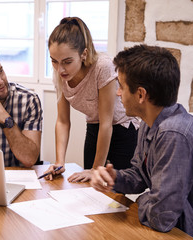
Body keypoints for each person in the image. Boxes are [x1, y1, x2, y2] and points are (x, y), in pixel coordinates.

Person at [91, 44, 193, 239]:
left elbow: (160, 218)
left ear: (140, 94)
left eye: (121, 86)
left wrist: (144, 198)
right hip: (177, 228)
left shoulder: (174, 135)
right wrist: (114, 179)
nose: (118, 93)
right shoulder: (149, 122)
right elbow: (139, 175)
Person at [44, 17, 139, 182]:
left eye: (67, 62)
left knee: (111, 189)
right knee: (88, 184)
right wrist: (59, 162)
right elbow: (63, 121)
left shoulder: (102, 66)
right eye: (54, 61)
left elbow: (107, 122)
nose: (60, 69)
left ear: (84, 54)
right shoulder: (59, 74)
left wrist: (96, 169)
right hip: (95, 125)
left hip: (123, 128)